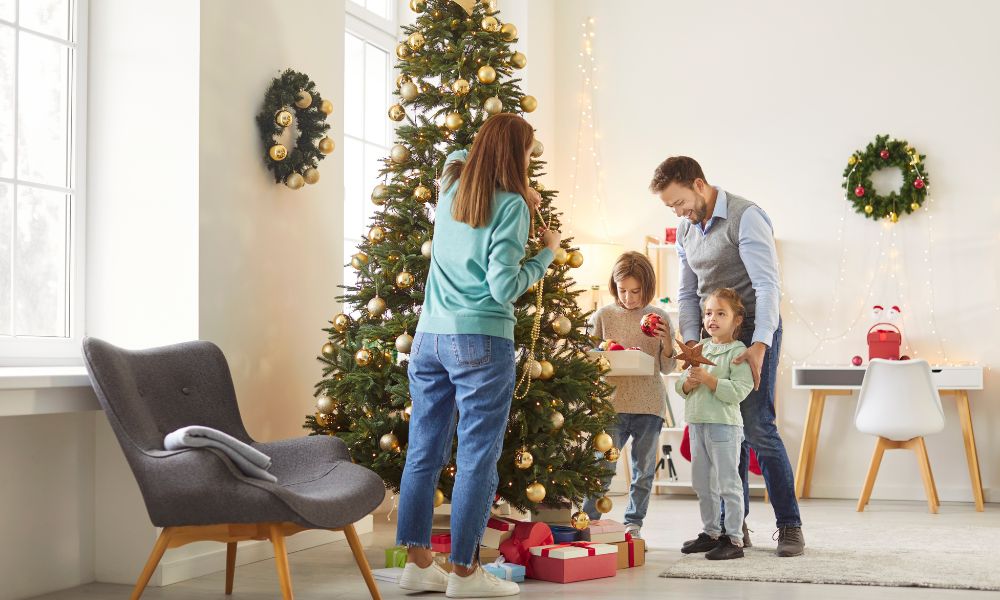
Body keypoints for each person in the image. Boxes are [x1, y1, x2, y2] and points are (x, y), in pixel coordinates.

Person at [396, 113, 561, 598]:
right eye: (527, 154)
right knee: (475, 458)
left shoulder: (452, 185)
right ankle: (465, 574)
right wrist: (545, 254)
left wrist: (518, 184)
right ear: (516, 156)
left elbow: (456, 154)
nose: (529, 162)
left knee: (423, 452)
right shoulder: (512, 206)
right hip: (481, 341)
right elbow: (503, 286)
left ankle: (417, 565)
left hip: (429, 338)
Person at [650, 156, 805, 557]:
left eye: (680, 202)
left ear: (699, 185)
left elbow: (767, 287)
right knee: (722, 427)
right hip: (711, 333)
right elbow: (687, 293)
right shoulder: (687, 229)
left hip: (752, 330)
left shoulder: (745, 217)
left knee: (757, 426)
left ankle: (789, 526)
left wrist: (760, 345)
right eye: (670, 207)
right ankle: (729, 529)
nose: (678, 212)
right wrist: (691, 344)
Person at [581, 251, 676, 539]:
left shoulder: (659, 317)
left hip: (649, 405)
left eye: (635, 291)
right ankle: (588, 522)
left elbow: (667, 367)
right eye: (623, 290)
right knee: (601, 466)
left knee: (643, 471)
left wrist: (667, 341)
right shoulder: (604, 316)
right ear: (614, 286)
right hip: (612, 404)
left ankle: (633, 524)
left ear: (647, 288)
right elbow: (587, 356)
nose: (629, 297)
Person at [677, 288, 754, 560]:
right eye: (709, 313)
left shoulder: (738, 352)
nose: (713, 319)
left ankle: (733, 538)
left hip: (724, 427)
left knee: (727, 484)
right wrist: (688, 383)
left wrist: (709, 380)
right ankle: (710, 533)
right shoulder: (699, 349)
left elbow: (741, 390)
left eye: (721, 313)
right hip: (697, 424)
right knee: (702, 483)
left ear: (736, 320)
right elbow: (680, 385)